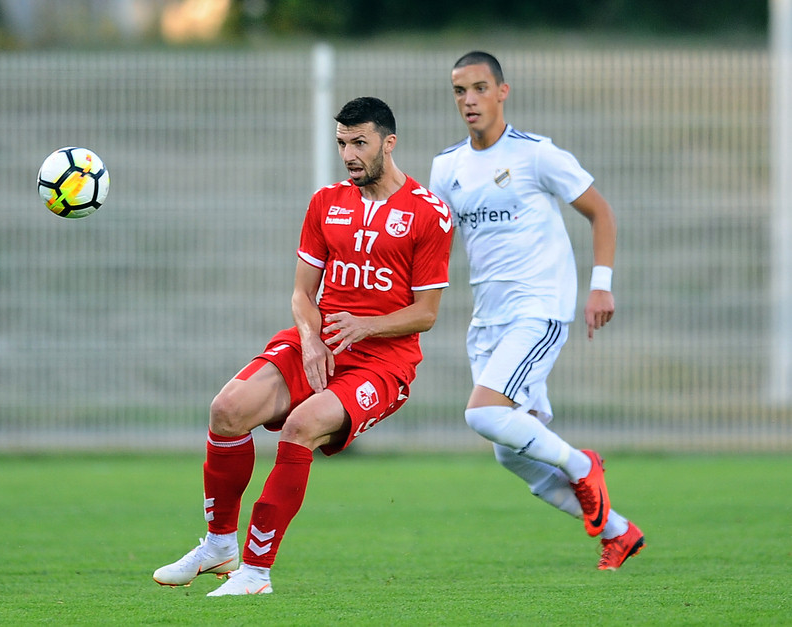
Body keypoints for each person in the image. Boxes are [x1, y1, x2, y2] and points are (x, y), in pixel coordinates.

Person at [153, 96, 454, 595]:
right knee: (227, 410)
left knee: (300, 426)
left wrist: (364, 327)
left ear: (388, 142)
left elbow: (426, 313)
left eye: (360, 142)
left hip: (383, 363)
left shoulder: (429, 214)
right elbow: (301, 292)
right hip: (319, 343)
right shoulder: (326, 202)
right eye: (342, 143)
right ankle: (219, 545)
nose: (350, 154)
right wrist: (313, 342)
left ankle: (255, 573)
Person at [429, 51, 644, 570]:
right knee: (510, 450)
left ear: (503, 91)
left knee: (482, 412)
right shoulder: (447, 168)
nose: (469, 100)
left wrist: (601, 287)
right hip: (489, 320)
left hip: (540, 308)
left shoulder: (536, 154)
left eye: (480, 88)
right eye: (460, 91)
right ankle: (619, 532)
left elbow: (601, 213)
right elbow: (430, 244)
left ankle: (582, 463)